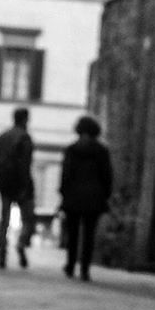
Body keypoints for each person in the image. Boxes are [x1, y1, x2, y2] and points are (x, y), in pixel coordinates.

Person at [59, 115, 112, 281]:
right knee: (89, 235)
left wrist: (64, 192)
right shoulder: (102, 151)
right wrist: (105, 194)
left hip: (73, 196)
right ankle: (85, 269)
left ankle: (70, 265)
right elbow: (107, 175)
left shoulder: (72, 150)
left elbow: (66, 174)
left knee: (73, 233)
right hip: (94, 197)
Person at [0, 107, 35, 269]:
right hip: (21, 183)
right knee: (28, 219)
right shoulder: (25, 138)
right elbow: (25, 163)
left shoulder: (2, 137)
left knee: (4, 220)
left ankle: (2, 253)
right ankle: (21, 244)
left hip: (4, 183)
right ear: (25, 119)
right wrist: (24, 185)